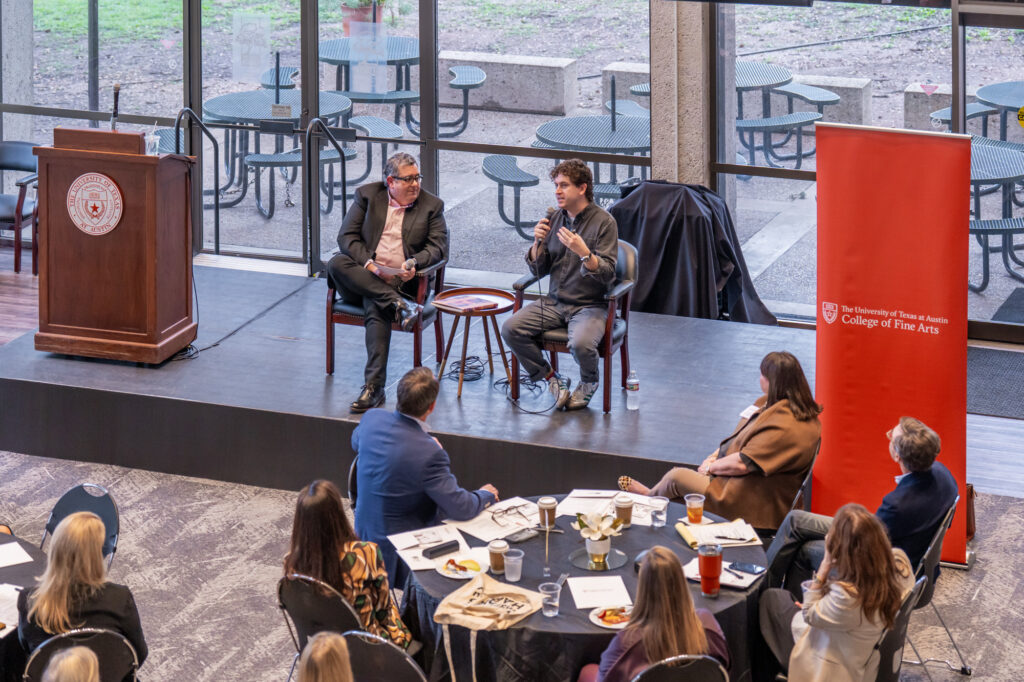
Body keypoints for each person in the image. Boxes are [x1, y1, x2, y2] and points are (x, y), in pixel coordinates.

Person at [621, 351, 822, 529]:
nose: (759, 378)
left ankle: (648, 499)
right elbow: (740, 438)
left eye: (762, 375)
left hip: (752, 500)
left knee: (677, 478)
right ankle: (654, 499)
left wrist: (711, 467)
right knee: (681, 494)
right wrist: (713, 457)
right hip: (743, 485)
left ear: (773, 381)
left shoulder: (787, 425)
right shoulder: (774, 406)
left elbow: (743, 463)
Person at [765, 416, 958, 595]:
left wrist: (835, 540)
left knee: (804, 551)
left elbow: (862, 547)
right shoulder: (943, 475)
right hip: (899, 548)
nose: (888, 434)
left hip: (882, 573)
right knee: (796, 519)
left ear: (897, 456)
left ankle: (792, 608)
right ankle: (765, 589)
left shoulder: (897, 505)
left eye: (891, 436)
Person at [326, 152, 448, 413]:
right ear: (390, 181)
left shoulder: (432, 206)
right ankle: (398, 305)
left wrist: (413, 263)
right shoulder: (368, 196)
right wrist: (371, 266)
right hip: (363, 278)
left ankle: (374, 388)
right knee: (336, 263)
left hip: (402, 283)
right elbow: (346, 237)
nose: (415, 184)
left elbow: (438, 248)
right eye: (408, 179)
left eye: (417, 177)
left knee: (376, 302)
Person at [353, 367, 499, 584]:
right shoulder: (429, 453)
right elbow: (461, 507)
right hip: (398, 550)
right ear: (432, 406)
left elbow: (356, 443)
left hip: (363, 534)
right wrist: (485, 494)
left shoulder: (372, 419)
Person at [500, 159, 619, 411]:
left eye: (564, 185)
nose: (557, 191)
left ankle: (589, 382)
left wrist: (584, 253)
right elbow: (538, 269)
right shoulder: (554, 219)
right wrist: (536, 243)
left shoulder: (604, 222)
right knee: (510, 329)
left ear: (582, 188)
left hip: (589, 305)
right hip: (554, 302)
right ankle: (551, 378)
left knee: (581, 344)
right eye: (556, 185)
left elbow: (608, 274)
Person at [759, 504, 914, 682]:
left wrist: (825, 564)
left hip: (831, 663)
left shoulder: (848, 596)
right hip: (858, 642)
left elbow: (809, 614)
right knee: (785, 595)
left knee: (771, 598)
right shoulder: (900, 563)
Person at [284, 480, 411, 649]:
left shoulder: (292, 564)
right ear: (337, 514)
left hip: (320, 648)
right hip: (369, 649)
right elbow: (383, 611)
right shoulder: (365, 553)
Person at [577, 546, 729, 682]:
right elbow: (724, 666)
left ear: (643, 588)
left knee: (587, 672)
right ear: (681, 581)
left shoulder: (627, 642)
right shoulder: (707, 623)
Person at [18, 512, 148, 667]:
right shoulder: (119, 599)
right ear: (96, 555)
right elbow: (138, 654)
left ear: (55, 550)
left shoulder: (30, 600)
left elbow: (27, 654)